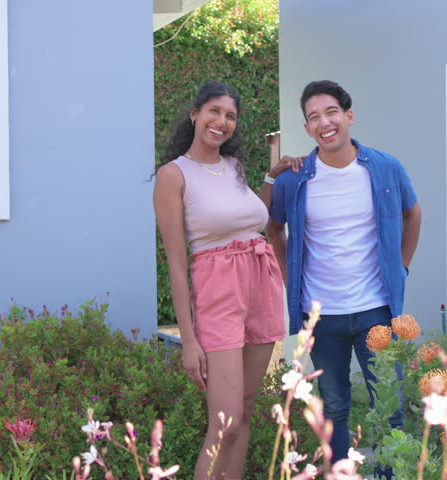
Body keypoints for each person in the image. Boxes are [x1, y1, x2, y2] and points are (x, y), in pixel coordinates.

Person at [267, 80, 422, 477]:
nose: (324, 122)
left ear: (348, 116)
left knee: (389, 404)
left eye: (331, 112)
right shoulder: (294, 179)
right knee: (333, 405)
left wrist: (400, 269)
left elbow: (412, 214)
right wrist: (290, 279)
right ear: (307, 129)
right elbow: (272, 227)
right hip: (322, 315)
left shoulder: (385, 167)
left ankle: (390, 474)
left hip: (376, 311)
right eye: (313, 117)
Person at [153, 80, 298, 480]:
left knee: (247, 409)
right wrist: (189, 341)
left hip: (260, 284)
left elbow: (251, 220)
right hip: (217, 291)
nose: (222, 122)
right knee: (225, 421)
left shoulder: (234, 168)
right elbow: (177, 264)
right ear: (195, 114)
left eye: (230, 116)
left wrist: (271, 178)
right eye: (214, 111)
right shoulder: (173, 175)